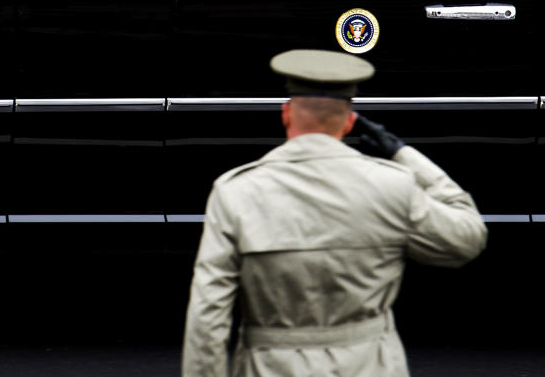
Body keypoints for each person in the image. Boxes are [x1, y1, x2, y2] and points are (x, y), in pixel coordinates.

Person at [182, 49, 488, 377]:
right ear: (350, 120)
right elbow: (466, 238)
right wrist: (403, 154)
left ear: (286, 114)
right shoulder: (392, 185)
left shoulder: (235, 192)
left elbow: (208, 312)